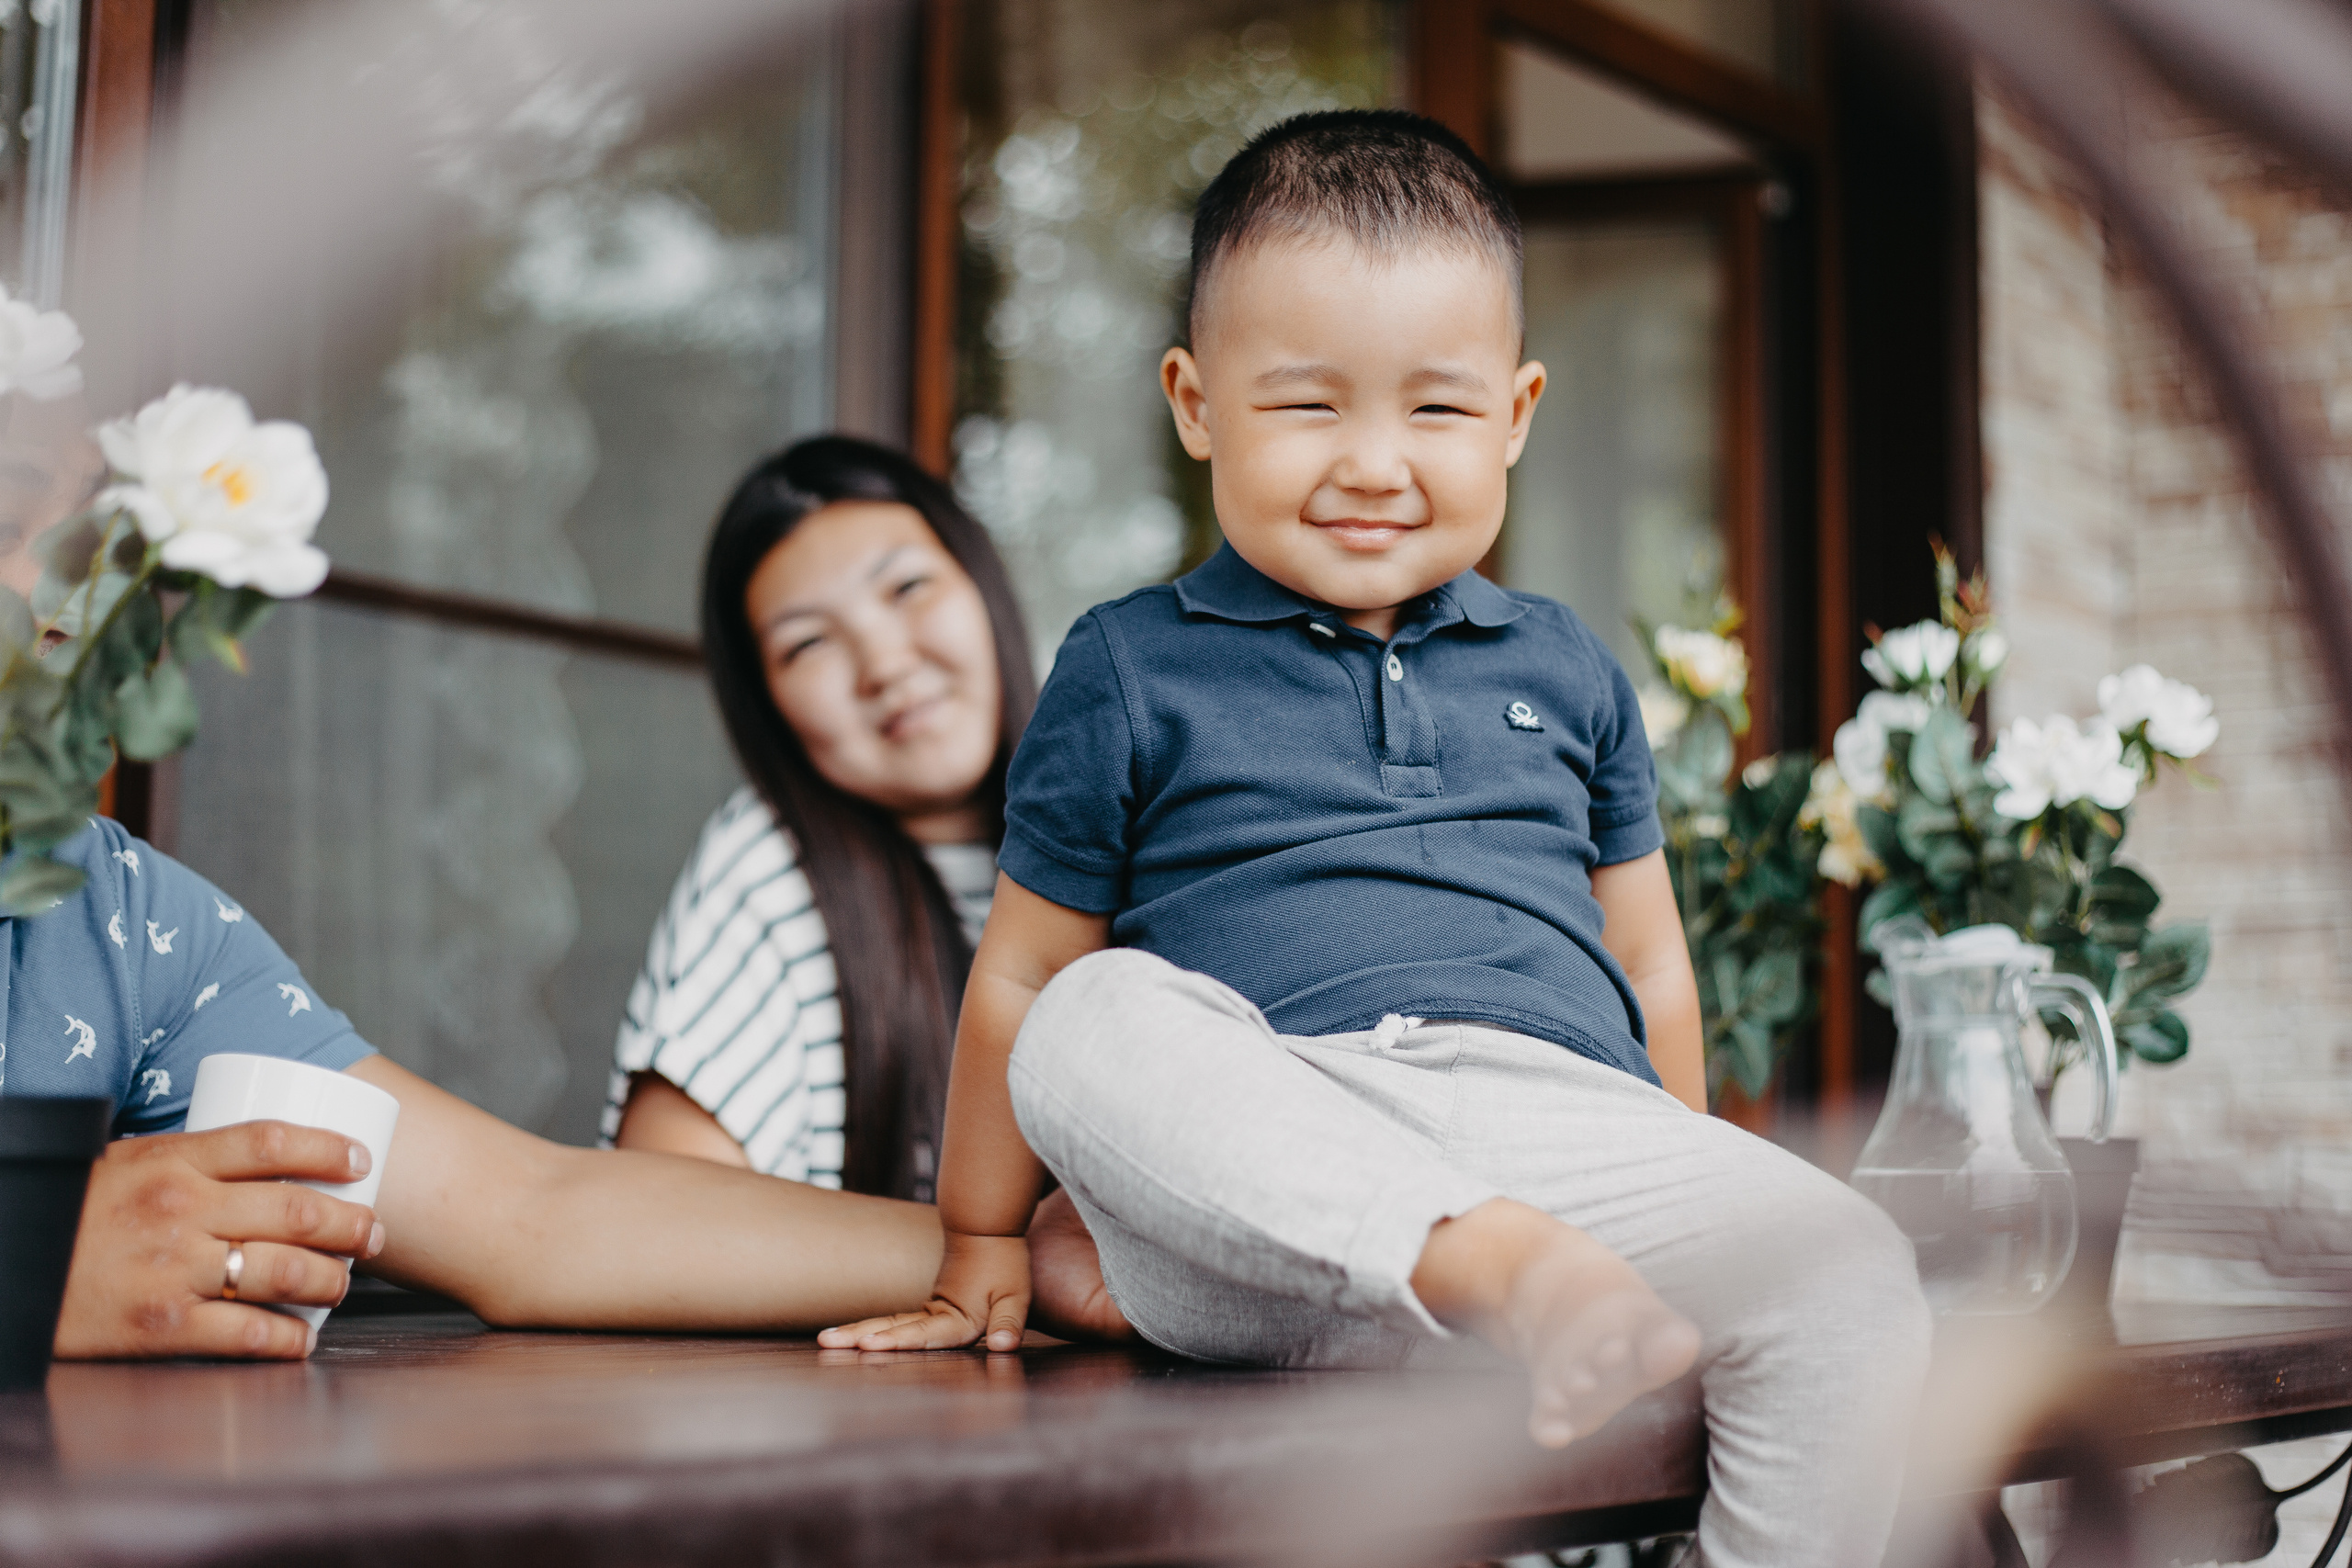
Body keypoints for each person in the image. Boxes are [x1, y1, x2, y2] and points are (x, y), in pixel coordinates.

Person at [823, 111, 1931, 1566]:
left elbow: (1649, 955)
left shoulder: (1566, 666)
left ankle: (1518, 1291)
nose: (1373, 463)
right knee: (1094, 1008)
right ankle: (1480, 1267)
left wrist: (1673, 1173)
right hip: (1274, 1162)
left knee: (1851, 1263)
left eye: (1437, 409)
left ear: (1521, 412)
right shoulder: (1131, 662)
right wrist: (977, 1246)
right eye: (1306, 406)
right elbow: (1024, 981)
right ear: (1195, 401)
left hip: (1562, 1133)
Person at [0, 437, 1102, 1360]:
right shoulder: (771, 869)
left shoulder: (134, 921)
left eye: (109, 544)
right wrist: (35, 1260)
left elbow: (532, 1216)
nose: (77, 589)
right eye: (20, 511)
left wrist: (1007, 1253)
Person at [605, 437, 1027, 1201]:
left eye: (906, 588)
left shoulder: (1145, 823)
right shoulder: (771, 863)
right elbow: (658, 1212)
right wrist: (997, 1258)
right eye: (808, 642)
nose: (886, 664)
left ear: (983, 587)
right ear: (769, 705)